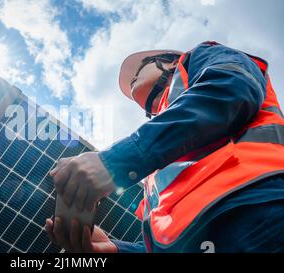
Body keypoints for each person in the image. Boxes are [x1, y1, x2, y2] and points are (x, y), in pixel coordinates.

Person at [45, 41, 284, 253]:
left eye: (137, 73)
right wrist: (113, 249)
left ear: (169, 63)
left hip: (255, 210)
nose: (131, 83)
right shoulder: (155, 159)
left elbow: (233, 89)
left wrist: (114, 162)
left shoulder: (200, 57)